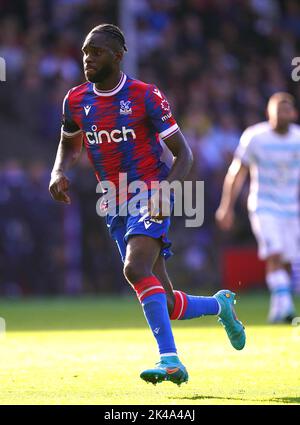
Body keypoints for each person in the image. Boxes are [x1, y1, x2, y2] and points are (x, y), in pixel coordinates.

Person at [49, 24, 245, 386]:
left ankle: (170, 361)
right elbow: (70, 142)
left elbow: (183, 155)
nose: (88, 59)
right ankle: (221, 305)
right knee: (164, 301)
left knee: (134, 268)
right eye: (84, 53)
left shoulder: (145, 95)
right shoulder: (75, 100)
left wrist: (163, 193)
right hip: (112, 201)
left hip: (149, 192)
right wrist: (59, 169)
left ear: (118, 55)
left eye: (96, 52)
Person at [216, 92, 299, 324]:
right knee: (274, 252)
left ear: (293, 113)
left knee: (286, 261)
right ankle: (288, 309)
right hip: (264, 206)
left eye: (287, 109)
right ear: (269, 113)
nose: (282, 114)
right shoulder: (255, 137)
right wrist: (226, 206)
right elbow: (237, 172)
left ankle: (277, 309)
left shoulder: (298, 139)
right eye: (278, 110)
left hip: (291, 210)